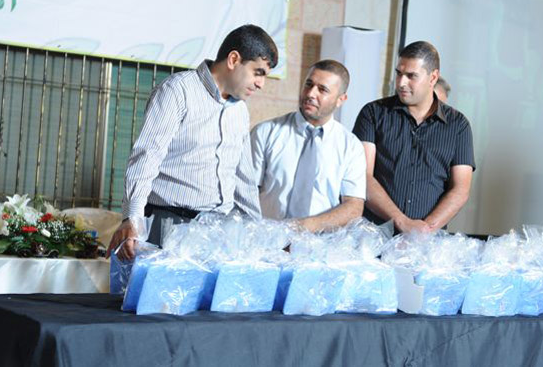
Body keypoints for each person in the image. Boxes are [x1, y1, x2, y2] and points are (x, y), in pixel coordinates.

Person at [106, 24, 278, 260]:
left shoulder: (240, 111)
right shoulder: (177, 90)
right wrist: (132, 218)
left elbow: (243, 178)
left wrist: (255, 232)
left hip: (218, 232)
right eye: (258, 72)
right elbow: (147, 156)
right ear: (233, 59)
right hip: (168, 225)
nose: (261, 83)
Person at [353, 41, 475, 233]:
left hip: (428, 240)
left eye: (411, 76)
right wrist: (402, 222)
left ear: (433, 77)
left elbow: (460, 190)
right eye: (399, 73)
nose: (401, 82)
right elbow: (363, 176)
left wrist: (424, 230)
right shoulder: (373, 113)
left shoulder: (458, 126)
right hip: (373, 237)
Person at [251, 60, 366, 232]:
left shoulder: (351, 147)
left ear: (341, 99)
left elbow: (353, 208)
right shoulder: (265, 132)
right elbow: (246, 193)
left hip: (320, 243)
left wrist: (305, 227)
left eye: (322, 90)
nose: (311, 93)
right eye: (308, 84)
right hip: (266, 239)